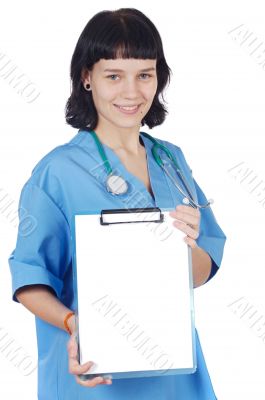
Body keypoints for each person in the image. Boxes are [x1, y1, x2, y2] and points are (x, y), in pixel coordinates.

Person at [8, 7, 226, 400]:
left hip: (175, 374)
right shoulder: (57, 172)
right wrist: (76, 324)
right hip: (94, 376)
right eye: (114, 76)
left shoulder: (170, 159)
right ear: (86, 77)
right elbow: (30, 279)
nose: (132, 92)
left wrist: (188, 247)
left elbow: (199, 271)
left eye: (145, 74)